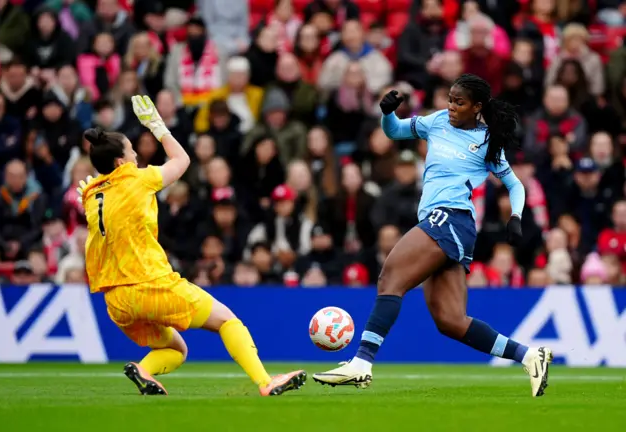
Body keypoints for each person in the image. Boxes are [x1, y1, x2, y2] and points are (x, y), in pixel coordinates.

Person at [313, 74, 553, 397]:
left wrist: (515, 217)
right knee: (451, 321)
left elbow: (514, 184)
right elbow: (395, 131)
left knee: (390, 277)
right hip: (444, 225)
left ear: (477, 107)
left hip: (452, 218)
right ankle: (529, 355)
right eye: (450, 99)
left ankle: (361, 364)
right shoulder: (437, 121)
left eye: (459, 102)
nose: (451, 107)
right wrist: (387, 114)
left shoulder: (487, 141)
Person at [76, 95, 305, 397]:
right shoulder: (136, 178)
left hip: (116, 300)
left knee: (176, 348)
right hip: (149, 284)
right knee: (226, 320)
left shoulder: (91, 194)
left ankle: (143, 371)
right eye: (132, 152)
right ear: (120, 162)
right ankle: (266, 382)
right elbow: (182, 161)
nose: (136, 157)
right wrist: (158, 127)